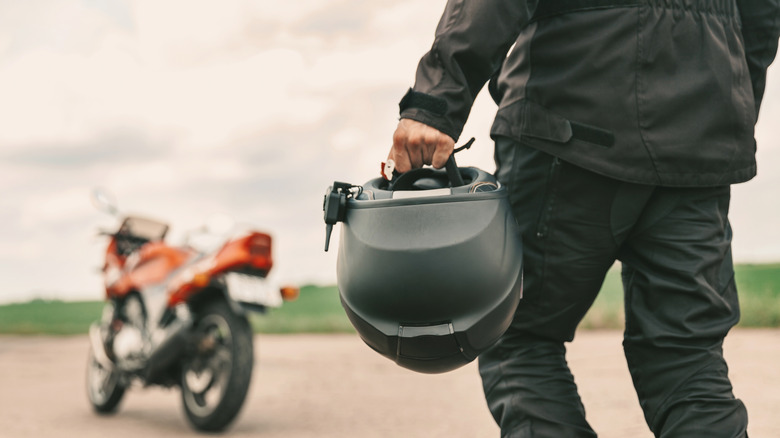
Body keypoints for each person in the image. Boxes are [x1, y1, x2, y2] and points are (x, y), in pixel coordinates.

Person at [386, 0, 779, 436]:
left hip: (569, 123)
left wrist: (434, 103)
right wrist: (723, 114)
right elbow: (761, 16)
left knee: (518, 334)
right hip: (699, 139)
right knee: (687, 357)